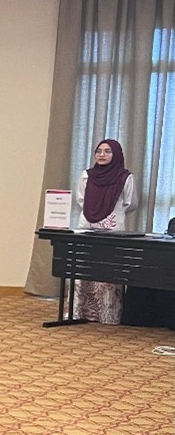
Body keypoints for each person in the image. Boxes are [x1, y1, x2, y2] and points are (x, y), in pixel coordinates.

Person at [75, 138, 136, 324]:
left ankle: (107, 315)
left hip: (112, 228)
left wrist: (110, 214)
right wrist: (95, 212)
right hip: (87, 226)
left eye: (107, 151)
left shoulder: (126, 177)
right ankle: (81, 312)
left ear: (116, 155)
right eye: (99, 151)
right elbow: (80, 199)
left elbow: (131, 203)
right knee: (84, 268)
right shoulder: (87, 175)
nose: (101, 155)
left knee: (108, 270)